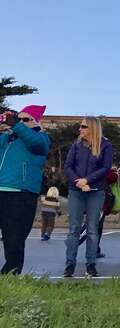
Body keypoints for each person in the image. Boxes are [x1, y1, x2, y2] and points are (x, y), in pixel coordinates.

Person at [0, 105, 51, 274]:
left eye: (25, 119)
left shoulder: (42, 138)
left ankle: (10, 275)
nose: (21, 122)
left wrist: (16, 125)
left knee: (13, 238)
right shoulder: (7, 137)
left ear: (37, 121)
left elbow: (36, 144)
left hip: (21, 194)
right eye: (18, 119)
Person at [63, 116, 113, 277]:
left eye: (83, 126)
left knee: (92, 229)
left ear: (92, 127)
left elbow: (105, 167)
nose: (80, 129)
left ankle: (91, 264)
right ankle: (69, 264)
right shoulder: (76, 145)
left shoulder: (105, 145)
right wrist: (78, 182)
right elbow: (68, 166)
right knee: (74, 229)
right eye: (80, 126)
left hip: (96, 191)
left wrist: (88, 180)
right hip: (76, 190)